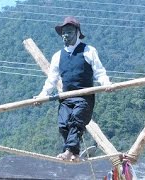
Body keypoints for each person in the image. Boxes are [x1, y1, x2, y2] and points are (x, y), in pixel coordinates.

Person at [35, 16, 112, 161]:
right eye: (63, 32)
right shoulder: (58, 56)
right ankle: (75, 154)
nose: (65, 35)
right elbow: (51, 80)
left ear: (77, 32)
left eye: (69, 32)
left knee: (76, 120)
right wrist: (42, 96)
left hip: (84, 97)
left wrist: (106, 84)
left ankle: (69, 150)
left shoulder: (88, 51)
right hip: (66, 98)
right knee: (63, 125)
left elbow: (99, 72)